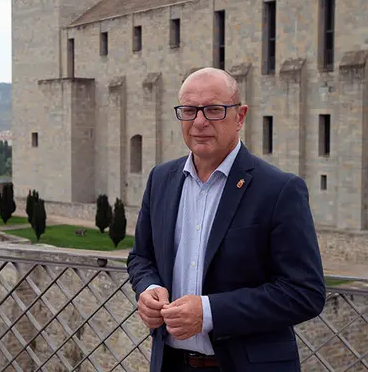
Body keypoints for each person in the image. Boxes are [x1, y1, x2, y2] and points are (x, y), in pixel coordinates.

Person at [127, 67, 326, 372]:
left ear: (240, 116)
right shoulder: (161, 179)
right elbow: (141, 256)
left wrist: (209, 313)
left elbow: (305, 293)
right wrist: (148, 287)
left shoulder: (279, 189)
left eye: (214, 110)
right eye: (190, 110)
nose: (200, 122)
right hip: (171, 363)